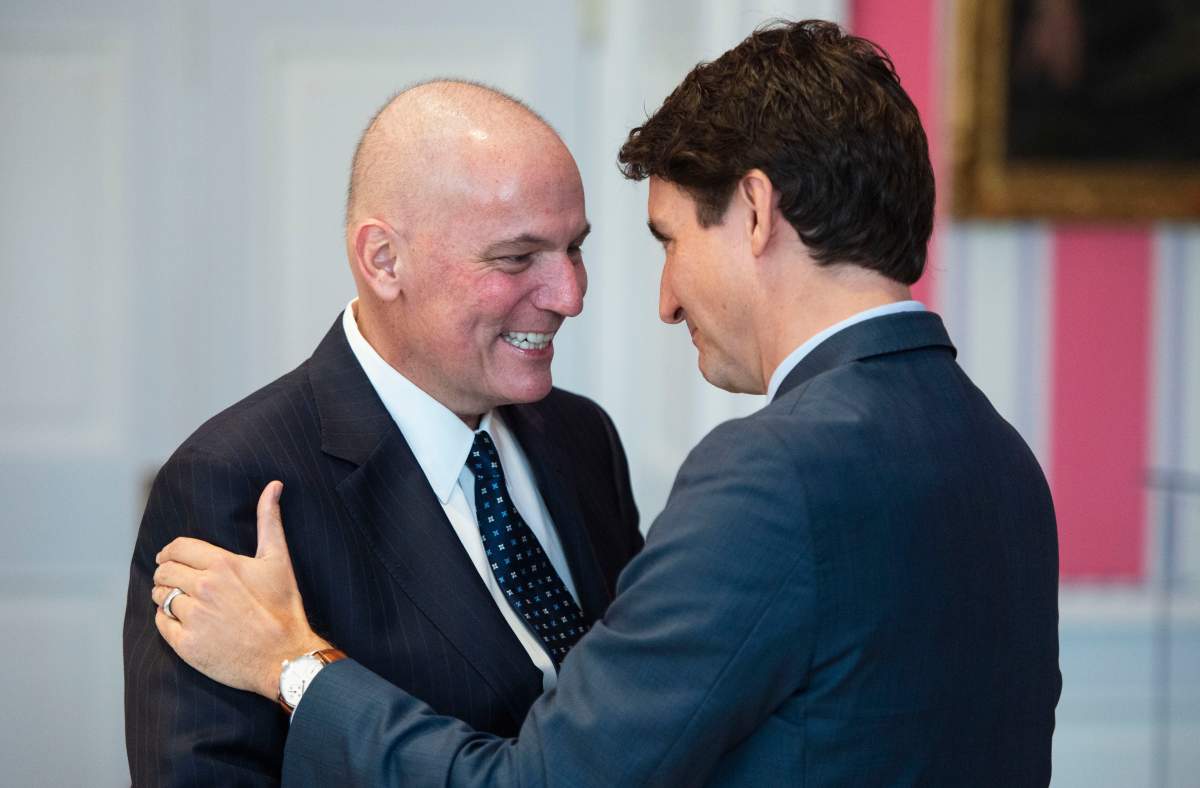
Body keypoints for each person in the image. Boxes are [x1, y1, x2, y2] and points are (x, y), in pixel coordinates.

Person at [151, 19, 1062, 787]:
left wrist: (294, 666)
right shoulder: (998, 451)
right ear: (383, 260)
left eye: (661, 239)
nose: (590, 297)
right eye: (518, 258)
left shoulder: (743, 470)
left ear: (754, 213)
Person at [123, 81, 643, 786]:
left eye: (574, 249)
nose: (569, 295)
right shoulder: (235, 479)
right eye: (518, 258)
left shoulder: (582, 436)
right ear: (384, 261)